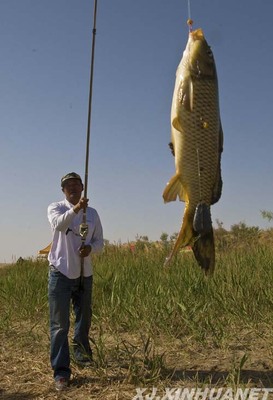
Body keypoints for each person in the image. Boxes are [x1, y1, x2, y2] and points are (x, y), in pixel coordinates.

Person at [47, 172, 103, 391]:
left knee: (84, 318)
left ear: (83, 187)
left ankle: (81, 354)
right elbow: (59, 225)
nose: (72, 187)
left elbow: (99, 242)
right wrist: (77, 208)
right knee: (60, 325)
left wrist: (90, 248)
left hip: (84, 273)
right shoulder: (56, 208)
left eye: (76, 184)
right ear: (63, 191)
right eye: (68, 185)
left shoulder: (94, 214)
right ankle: (61, 372)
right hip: (60, 272)